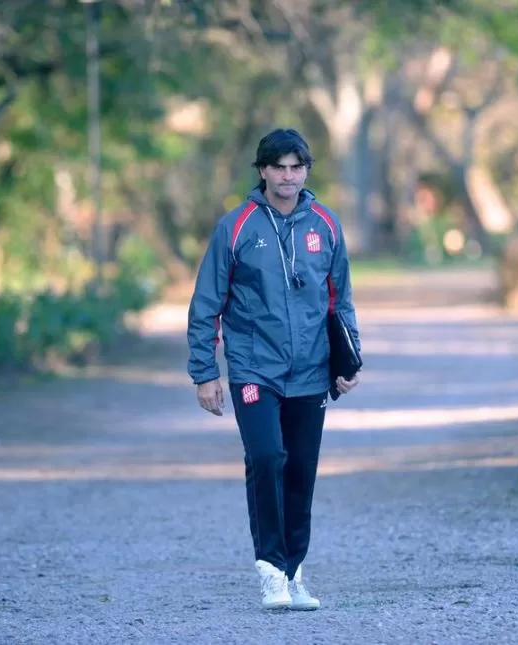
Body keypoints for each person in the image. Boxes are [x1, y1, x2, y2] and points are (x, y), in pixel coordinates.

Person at [186, 128, 361, 611]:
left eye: (296, 167)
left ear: (306, 171)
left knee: (301, 470)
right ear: (262, 170)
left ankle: (294, 570)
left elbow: (339, 299)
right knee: (267, 458)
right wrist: (205, 371)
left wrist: (349, 360)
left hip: (311, 370)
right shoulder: (236, 226)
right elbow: (206, 303)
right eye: (278, 167)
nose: (287, 175)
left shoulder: (325, 223)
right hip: (252, 369)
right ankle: (270, 569)